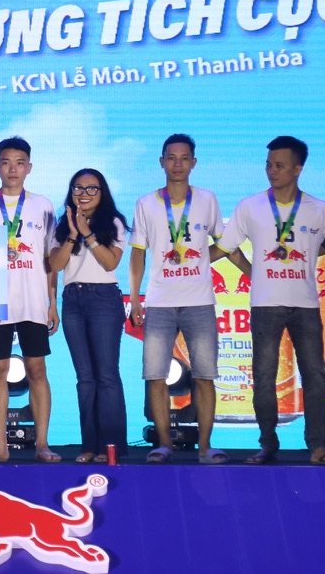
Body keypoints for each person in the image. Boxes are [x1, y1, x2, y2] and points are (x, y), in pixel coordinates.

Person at [217, 135, 325, 465]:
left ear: (297, 169)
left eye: (279, 165)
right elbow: (226, 248)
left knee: (315, 377)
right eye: (268, 165)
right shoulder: (249, 206)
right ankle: (267, 444)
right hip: (265, 305)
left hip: (306, 305)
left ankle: (318, 447)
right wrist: (253, 273)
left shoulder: (319, 209)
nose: (271, 171)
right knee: (264, 377)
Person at [127, 134, 240, 465]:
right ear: (161, 162)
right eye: (171, 157)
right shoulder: (146, 203)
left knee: (205, 375)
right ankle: (164, 444)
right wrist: (135, 298)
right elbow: (137, 254)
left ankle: (205, 448)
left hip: (199, 301)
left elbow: (225, 244)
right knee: (155, 375)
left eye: (184, 157)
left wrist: (217, 262)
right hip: (159, 302)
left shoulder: (207, 200)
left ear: (193, 163)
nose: (177, 164)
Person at [0, 137, 59, 463]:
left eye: (19, 162)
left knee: (37, 369)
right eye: (6, 162)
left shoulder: (43, 205)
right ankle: (0, 446)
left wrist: (53, 302)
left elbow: (51, 258)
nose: (13, 169)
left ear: (29, 167)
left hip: (33, 300)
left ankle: (42, 444)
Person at [50, 167, 130, 464]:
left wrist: (88, 233)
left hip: (103, 300)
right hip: (72, 299)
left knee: (106, 375)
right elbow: (56, 265)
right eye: (78, 188)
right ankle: (89, 445)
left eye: (91, 188)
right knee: (85, 378)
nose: (84, 194)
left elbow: (110, 263)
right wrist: (73, 234)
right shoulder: (61, 225)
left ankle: (110, 447)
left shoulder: (114, 222)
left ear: (102, 192)